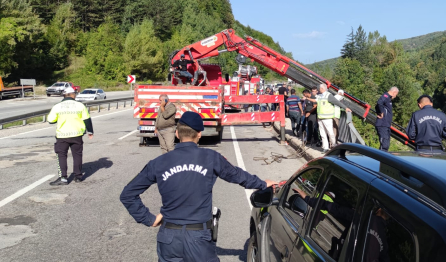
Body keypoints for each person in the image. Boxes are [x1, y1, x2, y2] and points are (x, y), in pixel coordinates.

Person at [120, 112, 278, 261]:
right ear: (199, 134)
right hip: (198, 237)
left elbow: (127, 194)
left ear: (177, 134)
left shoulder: (159, 163)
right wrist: (262, 184)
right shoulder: (210, 157)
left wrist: (149, 219)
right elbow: (237, 175)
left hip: (168, 237)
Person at [47, 87, 94, 185]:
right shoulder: (80, 105)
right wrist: (90, 131)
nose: (75, 95)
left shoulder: (57, 106)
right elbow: (87, 119)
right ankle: (78, 176)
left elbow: (51, 120)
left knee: (61, 156)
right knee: (77, 155)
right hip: (77, 135)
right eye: (75, 94)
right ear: (72, 95)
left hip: (62, 136)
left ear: (64, 95)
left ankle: (63, 178)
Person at [304, 84, 351, 152]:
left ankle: (334, 145)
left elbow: (336, 102)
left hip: (327, 118)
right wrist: (308, 98)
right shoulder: (320, 96)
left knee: (330, 132)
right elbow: (315, 100)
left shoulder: (328, 95)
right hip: (320, 118)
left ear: (322, 88)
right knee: (322, 133)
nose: (318, 90)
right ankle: (325, 147)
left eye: (319, 88)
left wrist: (345, 108)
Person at [375, 87, 398, 151]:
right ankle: (381, 159)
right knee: (384, 146)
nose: (395, 96)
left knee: (386, 145)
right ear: (394, 92)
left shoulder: (388, 99)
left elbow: (377, 106)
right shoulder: (385, 96)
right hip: (382, 124)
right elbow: (379, 103)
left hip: (386, 125)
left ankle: (383, 159)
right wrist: (381, 112)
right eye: (396, 95)